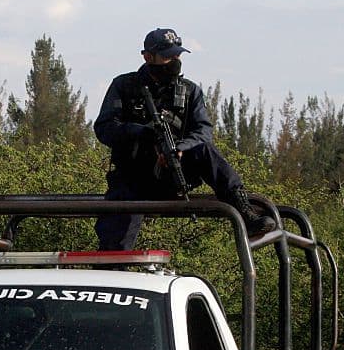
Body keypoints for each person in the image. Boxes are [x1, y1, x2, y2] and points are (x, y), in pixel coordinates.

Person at [94, 27, 277, 250]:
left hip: (173, 175)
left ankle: (244, 210)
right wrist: (142, 133)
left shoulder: (190, 91)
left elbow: (203, 131)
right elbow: (104, 129)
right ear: (148, 57)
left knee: (205, 149)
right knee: (115, 246)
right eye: (167, 56)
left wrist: (180, 148)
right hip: (132, 179)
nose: (174, 61)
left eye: (177, 55)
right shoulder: (125, 86)